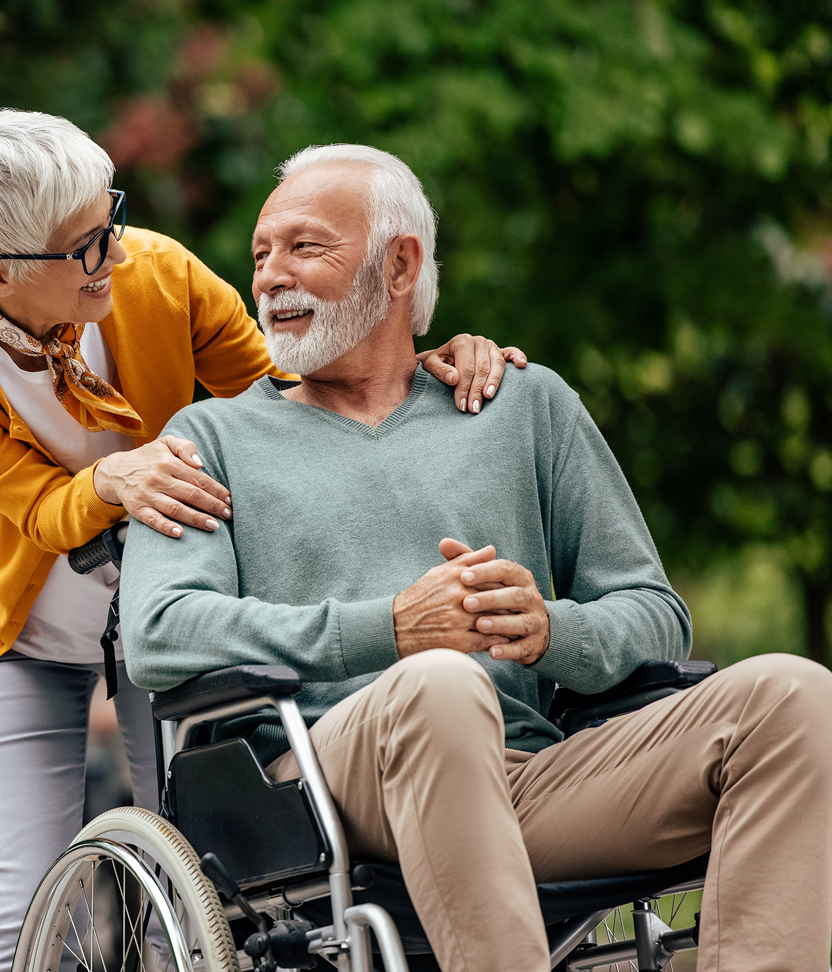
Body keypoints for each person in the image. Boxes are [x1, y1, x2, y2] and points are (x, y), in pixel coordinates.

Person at [120, 142, 832, 972]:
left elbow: (654, 613)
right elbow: (163, 633)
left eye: (304, 247)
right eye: (260, 254)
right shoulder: (209, 439)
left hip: (532, 775)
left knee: (796, 697)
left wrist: (549, 631)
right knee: (440, 682)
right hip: (320, 784)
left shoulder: (522, 405)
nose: (269, 276)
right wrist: (387, 628)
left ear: (398, 265)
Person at [0, 109, 525, 972]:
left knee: (206, 880)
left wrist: (423, 363)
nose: (117, 250)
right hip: (12, 629)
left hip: (171, 608)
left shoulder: (159, 274)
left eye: (113, 218)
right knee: (31, 909)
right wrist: (112, 480)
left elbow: (296, 391)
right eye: (86, 246)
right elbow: (29, 507)